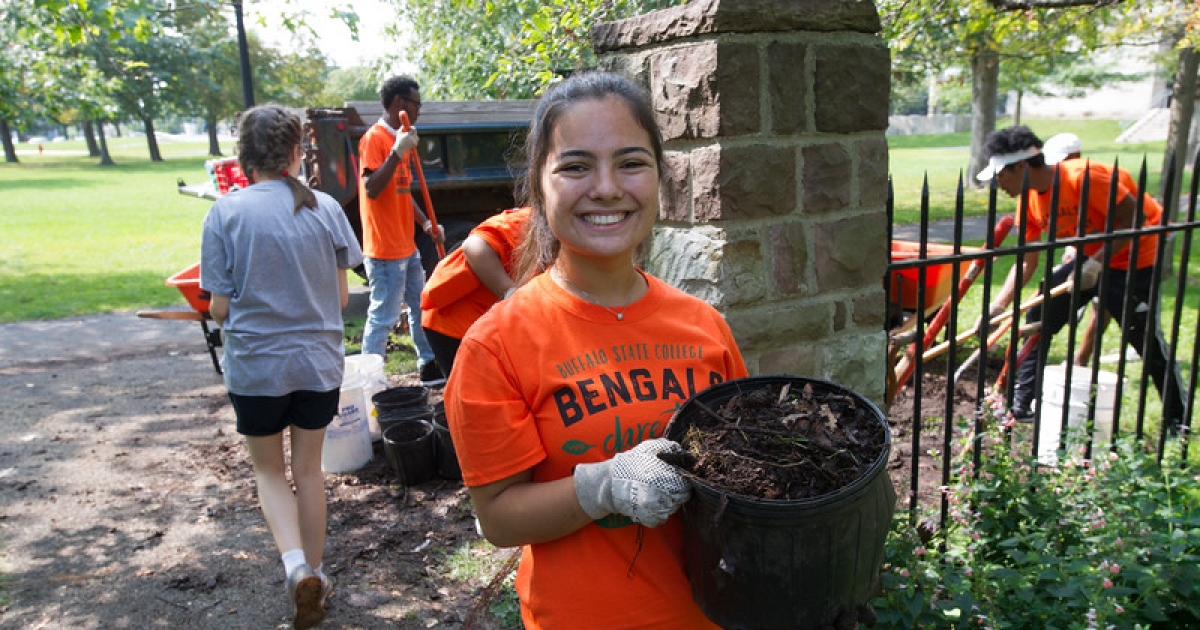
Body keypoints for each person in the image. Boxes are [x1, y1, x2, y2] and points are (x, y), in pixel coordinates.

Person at [443, 72, 749, 629]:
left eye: (631, 163)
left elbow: (746, 477)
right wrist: (603, 486)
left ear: (659, 177)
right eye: (576, 167)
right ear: (539, 186)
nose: (607, 188)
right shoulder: (497, 345)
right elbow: (498, 519)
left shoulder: (705, 327)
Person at [200, 104, 364, 629]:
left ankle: (295, 568)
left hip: (257, 370)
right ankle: (316, 572)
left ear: (242, 159)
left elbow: (219, 308)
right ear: (297, 152)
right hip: (317, 365)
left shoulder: (225, 213)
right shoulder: (325, 208)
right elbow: (341, 298)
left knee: (269, 471)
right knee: (309, 471)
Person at [975, 125, 1184, 431]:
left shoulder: (1083, 178)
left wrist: (1095, 264)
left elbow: (1134, 218)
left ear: (1021, 166)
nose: (998, 185)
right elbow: (1026, 261)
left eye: (1000, 176)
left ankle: (1177, 420)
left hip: (1134, 260)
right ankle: (1022, 404)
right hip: (1090, 258)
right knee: (1039, 316)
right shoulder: (1028, 201)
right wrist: (997, 306)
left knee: (1144, 338)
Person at [358, 75, 447, 387]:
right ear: (399, 103)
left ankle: (428, 365)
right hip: (384, 249)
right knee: (383, 315)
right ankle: (369, 378)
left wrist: (424, 222)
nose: (418, 111)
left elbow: (402, 191)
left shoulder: (402, 138)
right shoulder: (375, 139)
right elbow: (371, 188)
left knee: (419, 307)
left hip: (406, 245)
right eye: (415, 104)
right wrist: (396, 152)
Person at [419, 206, 531, 377]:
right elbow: (474, 246)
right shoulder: (526, 222)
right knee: (480, 389)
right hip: (454, 318)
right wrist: (511, 294)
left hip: (493, 323)